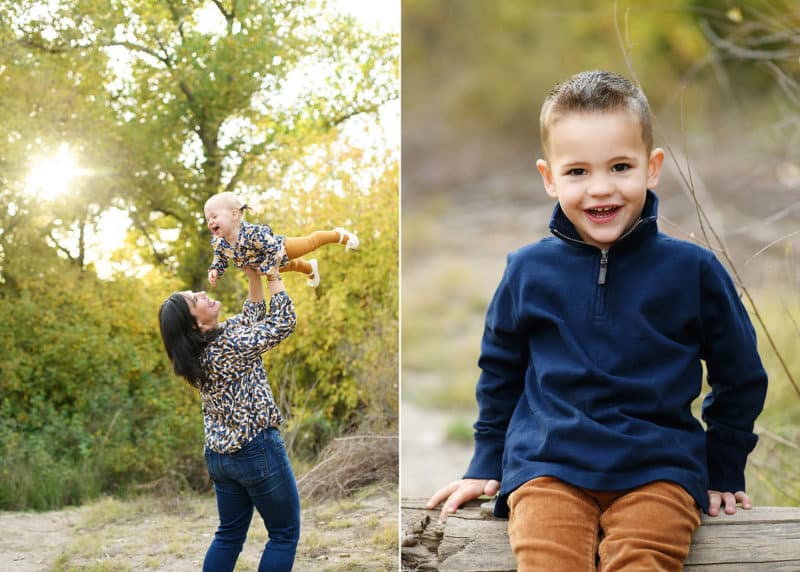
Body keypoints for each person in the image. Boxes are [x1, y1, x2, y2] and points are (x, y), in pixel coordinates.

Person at [427, 70, 768, 571]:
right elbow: (500, 372)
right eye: (578, 172)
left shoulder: (692, 271)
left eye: (620, 166)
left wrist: (723, 467)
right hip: (548, 469)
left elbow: (740, 375)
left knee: (642, 562)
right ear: (549, 177)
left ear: (652, 168)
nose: (601, 189)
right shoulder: (527, 270)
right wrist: (485, 460)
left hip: (659, 470)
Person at [159, 265, 299, 572]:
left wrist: (253, 276)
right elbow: (284, 323)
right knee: (283, 534)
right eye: (195, 299)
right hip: (255, 450)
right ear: (195, 325)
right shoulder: (229, 347)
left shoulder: (205, 348)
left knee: (229, 535)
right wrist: (273, 277)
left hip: (220, 457)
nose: (202, 293)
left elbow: (252, 318)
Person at [205, 191, 359, 288]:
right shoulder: (218, 242)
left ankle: (338, 235)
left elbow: (274, 249)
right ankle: (310, 269)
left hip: (281, 248)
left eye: (214, 217)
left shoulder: (252, 233)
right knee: (291, 265)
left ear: (234, 215)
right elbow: (220, 258)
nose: (210, 222)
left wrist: (266, 267)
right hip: (264, 264)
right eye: (207, 219)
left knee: (310, 243)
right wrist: (215, 269)